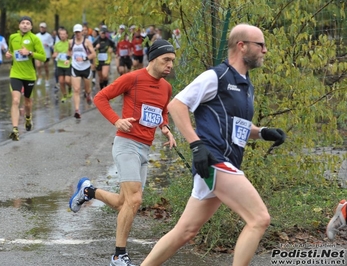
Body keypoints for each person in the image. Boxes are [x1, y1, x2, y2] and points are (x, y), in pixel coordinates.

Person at [141, 23, 287, 266]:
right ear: (242, 46)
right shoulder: (216, 76)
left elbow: (235, 126)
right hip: (215, 160)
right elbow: (176, 105)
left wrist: (262, 133)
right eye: (260, 44)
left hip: (219, 162)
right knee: (259, 219)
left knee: (185, 231)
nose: (265, 50)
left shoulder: (245, 84)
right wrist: (196, 145)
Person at [69, 39, 177, 266]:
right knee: (135, 199)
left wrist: (165, 128)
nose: (170, 65)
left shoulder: (166, 87)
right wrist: (117, 121)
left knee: (124, 203)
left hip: (145, 148)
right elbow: (101, 98)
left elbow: (161, 110)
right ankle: (119, 256)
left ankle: (89, 191)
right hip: (126, 144)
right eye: (166, 60)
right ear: (154, 58)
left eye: (172, 61)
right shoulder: (133, 78)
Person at [5, 16, 46, 141]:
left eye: (28, 23)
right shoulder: (13, 37)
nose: (25, 25)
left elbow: (43, 57)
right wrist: (8, 54)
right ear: (19, 25)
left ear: (31, 27)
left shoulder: (35, 39)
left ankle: (28, 117)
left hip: (29, 75)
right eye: (23, 23)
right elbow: (11, 52)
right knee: (16, 100)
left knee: (27, 102)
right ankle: (15, 129)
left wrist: (30, 53)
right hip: (15, 74)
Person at [68, 24, 96, 119]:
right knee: (76, 89)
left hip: (86, 68)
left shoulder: (87, 42)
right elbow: (69, 51)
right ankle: (77, 110)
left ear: (82, 32)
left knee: (87, 89)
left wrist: (84, 58)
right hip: (75, 68)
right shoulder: (71, 42)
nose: (77, 34)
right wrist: (68, 58)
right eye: (76, 32)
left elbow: (93, 54)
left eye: (79, 32)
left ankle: (88, 95)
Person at [52, 27, 71, 102]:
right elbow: (55, 54)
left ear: (67, 35)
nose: (62, 36)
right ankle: (64, 95)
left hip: (68, 64)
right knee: (61, 81)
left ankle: (70, 88)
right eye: (61, 34)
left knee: (67, 80)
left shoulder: (69, 43)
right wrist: (54, 55)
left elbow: (71, 52)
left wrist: (68, 57)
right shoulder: (57, 44)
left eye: (64, 34)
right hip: (60, 64)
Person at [35, 22, 54, 87]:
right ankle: (40, 77)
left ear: (45, 28)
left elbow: (52, 43)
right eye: (41, 27)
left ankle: (47, 79)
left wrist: (48, 44)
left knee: (46, 68)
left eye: (43, 27)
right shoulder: (36, 35)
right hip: (38, 53)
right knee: (38, 66)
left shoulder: (48, 36)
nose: (42, 29)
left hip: (46, 53)